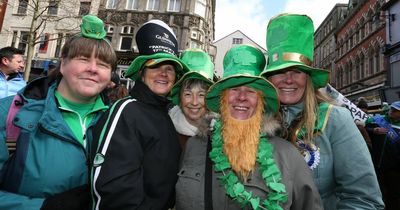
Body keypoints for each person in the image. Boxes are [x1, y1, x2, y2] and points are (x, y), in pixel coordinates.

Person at [175, 44, 322, 210]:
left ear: (261, 102)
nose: (242, 97)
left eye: (251, 91)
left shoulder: (287, 156)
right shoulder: (194, 147)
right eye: (234, 89)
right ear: (222, 99)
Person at [261, 13, 384, 210]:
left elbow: (365, 200)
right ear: (269, 79)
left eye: (297, 71)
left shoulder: (335, 119)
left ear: (308, 78)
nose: (288, 79)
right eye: (279, 71)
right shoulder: (257, 122)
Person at [0, 15, 116, 210]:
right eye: (83, 59)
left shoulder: (118, 120)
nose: (93, 69)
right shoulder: (9, 113)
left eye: (103, 64)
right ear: (63, 63)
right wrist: (42, 207)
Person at [90, 19, 188, 209]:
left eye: (169, 68)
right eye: (155, 66)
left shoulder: (168, 114)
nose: (163, 73)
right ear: (142, 73)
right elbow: (113, 189)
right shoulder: (126, 111)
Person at [169, 48, 215, 149]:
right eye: (188, 94)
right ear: (179, 96)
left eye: (201, 95)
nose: (194, 102)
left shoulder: (221, 134)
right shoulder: (165, 129)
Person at [365, 101, 400, 210]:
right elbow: (363, 129)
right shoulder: (377, 120)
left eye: (395, 111)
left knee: (395, 192)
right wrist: (373, 130)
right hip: (377, 164)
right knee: (379, 191)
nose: (392, 112)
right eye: (391, 109)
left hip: (395, 167)